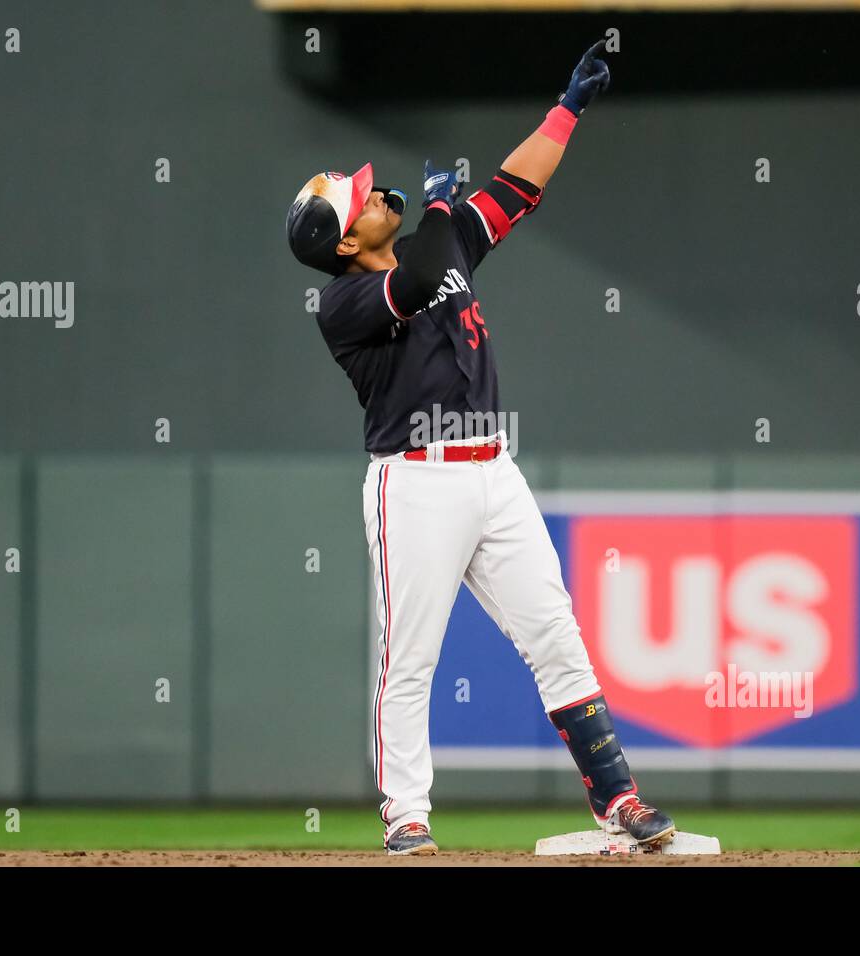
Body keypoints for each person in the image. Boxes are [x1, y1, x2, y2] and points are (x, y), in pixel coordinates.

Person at [285, 39, 676, 856]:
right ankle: (407, 815)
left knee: (555, 634)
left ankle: (620, 800)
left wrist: (567, 110)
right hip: (414, 482)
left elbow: (516, 185)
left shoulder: (442, 237)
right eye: (358, 202)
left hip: (492, 470)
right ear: (348, 243)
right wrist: (432, 209)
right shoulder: (343, 300)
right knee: (412, 658)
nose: (369, 194)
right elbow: (418, 281)